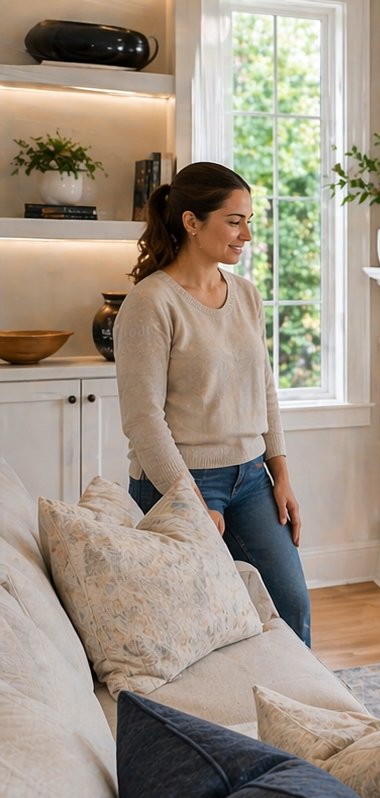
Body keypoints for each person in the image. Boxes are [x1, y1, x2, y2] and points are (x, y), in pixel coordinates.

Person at [115, 161, 311, 646]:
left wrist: (280, 473)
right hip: (177, 482)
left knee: (292, 605)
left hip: (251, 480)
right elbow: (143, 420)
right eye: (234, 220)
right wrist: (189, 499)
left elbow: (263, 387)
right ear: (191, 222)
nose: (245, 234)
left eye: (249, 221)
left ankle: (305, 717)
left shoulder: (245, 295)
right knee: (192, 627)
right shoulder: (150, 303)